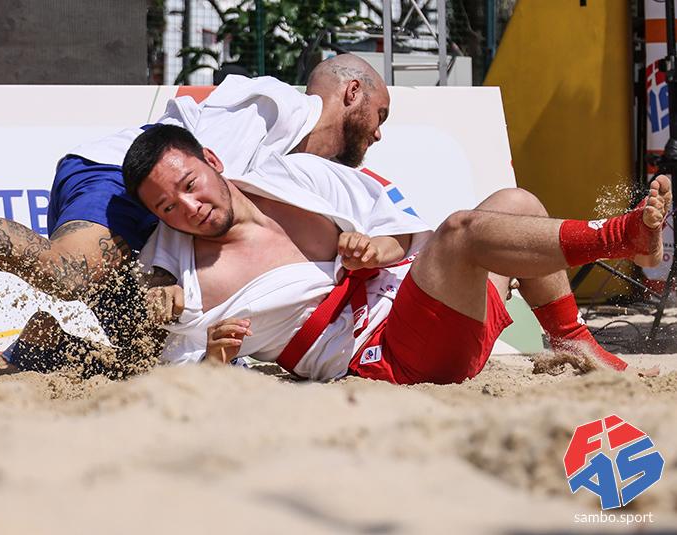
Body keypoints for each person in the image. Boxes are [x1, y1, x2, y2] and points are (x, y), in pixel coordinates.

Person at [0, 54, 391, 373]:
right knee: (68, 271)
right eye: (380, 114)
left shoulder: (306, 167)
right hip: (125, 176)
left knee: (144, 358)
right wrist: (163, 271)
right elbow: (186, 172)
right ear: (351, 93)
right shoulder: (282, 107)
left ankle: (48, 346)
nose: (379, 133)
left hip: (156, 213)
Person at [124, 125, 669, 383]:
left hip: (429, 307)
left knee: (516, 202)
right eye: (167, 207)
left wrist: (381, 247)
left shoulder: (292, 177)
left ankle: (574, 342)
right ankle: (624, 238)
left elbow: (404, 231)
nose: (189, 208)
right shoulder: (178, 279)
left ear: (213, 160)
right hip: (391, 356)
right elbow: (175, 374)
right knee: (461, 231)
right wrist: (213, 360)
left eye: (190, 185)